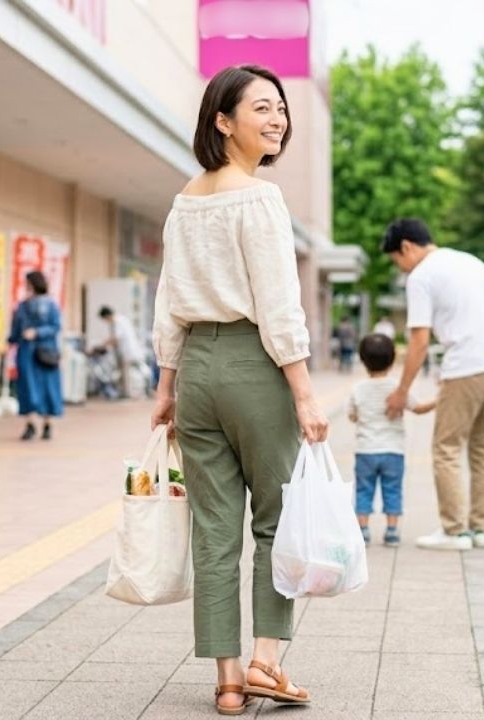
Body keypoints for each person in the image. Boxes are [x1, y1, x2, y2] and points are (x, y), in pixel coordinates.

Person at [150, 64, 327, 715]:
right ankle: (265, 663)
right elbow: (279, 304)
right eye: (262, 108)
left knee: (214, 529)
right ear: (222, 120)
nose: (277, 118)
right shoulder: (258, 197)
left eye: (280, 107)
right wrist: (304, 391)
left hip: (197, 369)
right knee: (275, 522)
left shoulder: (184, 200)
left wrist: (167, 385)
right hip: (255, 365)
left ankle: (227, 682)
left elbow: (168, 303)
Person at [382, 218, 484, 551]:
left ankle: (454, 531)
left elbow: (418, 339)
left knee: (446, 447)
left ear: (407, 248)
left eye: (397, 262)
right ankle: (481, 529)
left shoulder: (422, 276)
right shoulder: (471, 262)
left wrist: (401, 391)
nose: (401, 270)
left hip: (469, 364)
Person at [348, 334, 435, 547]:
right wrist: (440, 400)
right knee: (392, 489)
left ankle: (363, 530)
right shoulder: (398, 388)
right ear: (393, 359)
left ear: (362, 360)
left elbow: (352, 415)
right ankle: (392, 531)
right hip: (393, 452)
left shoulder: (358, 389)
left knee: (363, 490)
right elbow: (419, 408)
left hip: (365, 451)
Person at [10, 271, 63, 440]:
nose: (27, 286)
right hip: (26, 353)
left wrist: (37, 332)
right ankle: (30, 424)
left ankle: (48, 424)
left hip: (45, 353)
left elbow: (55, 327)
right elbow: (15, 330)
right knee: (27, 388)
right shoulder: (22, 305)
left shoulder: (51, 305)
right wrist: (9, 341)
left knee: (48, 389)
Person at [99, 305, 149, 399]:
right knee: (124, 374)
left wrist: (104, 344)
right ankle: (125, 393)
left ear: (107, 316)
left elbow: (116, 338)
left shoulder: (119, 322)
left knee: (126, 374)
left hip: (128, 352)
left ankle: (127, 394)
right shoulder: (119, 321)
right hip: (125, 352)